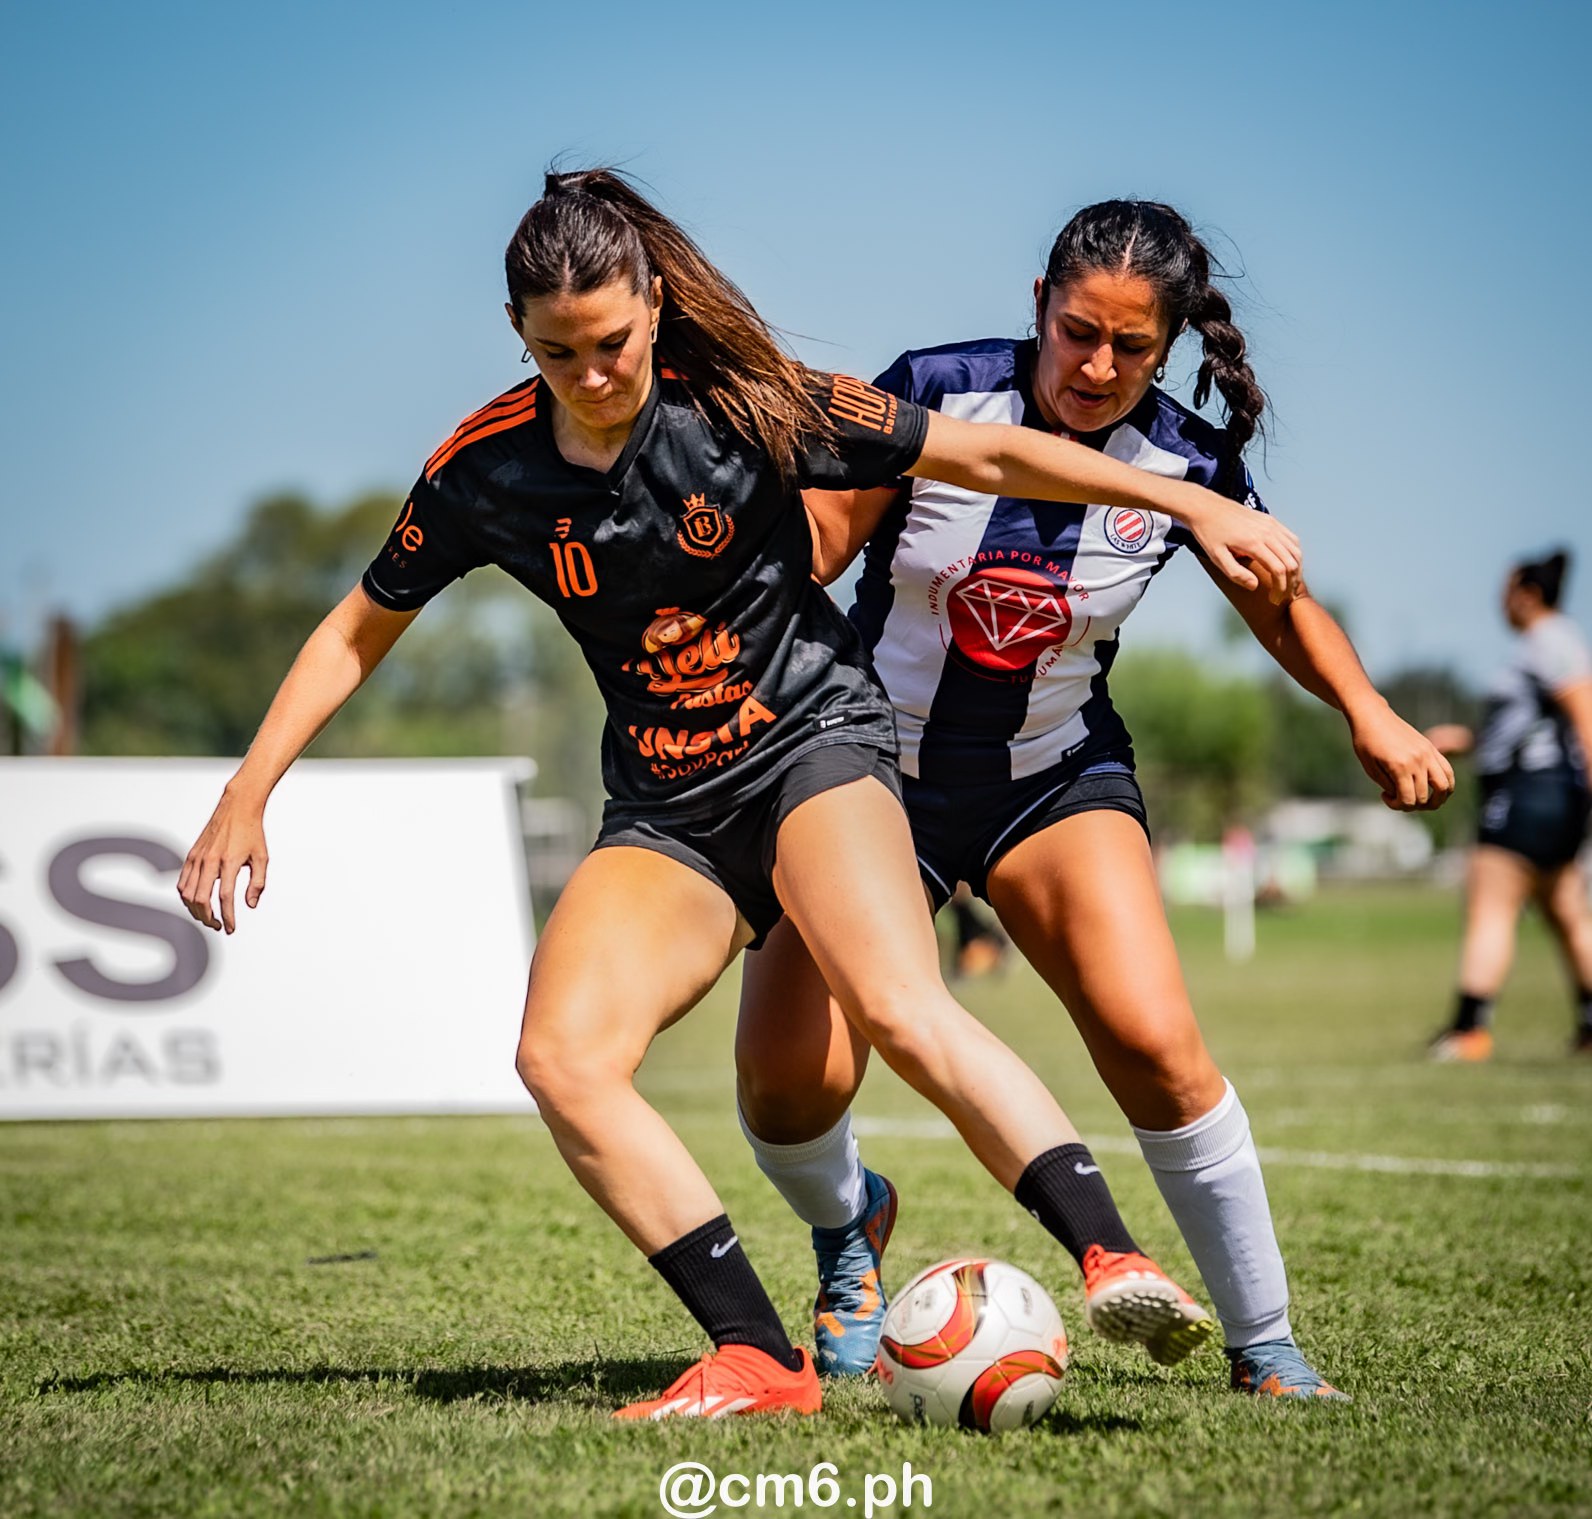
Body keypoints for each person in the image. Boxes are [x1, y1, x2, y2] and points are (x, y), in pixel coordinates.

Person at [176, 171, 1306, 1421]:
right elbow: (358, 626)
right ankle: (757, 1355)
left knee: (894, 1000)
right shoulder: (480, 471)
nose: (594, 374)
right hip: (667, 807)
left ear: (654, 306)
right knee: (562, 1057)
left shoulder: (752, 407)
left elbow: (982, 446)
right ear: (517, 335)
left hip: (816, 747)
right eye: (559, 352)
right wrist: (248, 791)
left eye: (612, 343)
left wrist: (1181, 493)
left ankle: (1110, 1254)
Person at [734, 199, 1455, 1401]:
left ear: (1168, 347)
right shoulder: (933, 392)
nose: (1098, 366)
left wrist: (1366, 713)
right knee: (781, 1079)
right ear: (1037, 305)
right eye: (1078, 333)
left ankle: (1264, 1346)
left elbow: (1279, 600)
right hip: (862, 773)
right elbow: (816, 540)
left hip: (1053, 776)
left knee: (1155, 1042)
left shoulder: (1186, 464)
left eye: (1132, 348)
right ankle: (848, 1232)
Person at [1426, 550, 1592, 1061]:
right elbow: (1533, 728)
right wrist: (1472, 739)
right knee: (1565, 908)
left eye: (1506, 589)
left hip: (1530, 794)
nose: (1500, 600)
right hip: (1548, 793)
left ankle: (1469, 1029)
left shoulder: (1550, 642)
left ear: (1528, 594)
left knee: (1491, 903)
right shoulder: (1550, 642)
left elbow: (1584, 718)